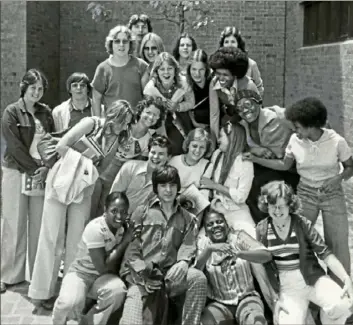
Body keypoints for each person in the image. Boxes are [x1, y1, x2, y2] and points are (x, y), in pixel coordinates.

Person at [28, 100, 133, 308]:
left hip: (85, 187)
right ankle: (42, 292)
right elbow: (61, 145)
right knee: (52, 235)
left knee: (76, 239)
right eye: (123, 121)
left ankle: (68, 293)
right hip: (63, 179)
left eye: (128, 123)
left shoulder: (121, 140)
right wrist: (86, 159)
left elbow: (102, 171)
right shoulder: (91, 123)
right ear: (114, 116)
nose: (124, 126)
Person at [247, 97, 353, 284]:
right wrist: (255, 159)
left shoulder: (337, 141)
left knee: (337, 244)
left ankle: (341, 290)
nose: (295, 130)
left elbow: (350, 167)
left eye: (297, 126)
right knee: (294, 237)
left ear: (311, 125)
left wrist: (338, 179)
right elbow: (283, 164)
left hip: (332, 194)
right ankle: (306, 281)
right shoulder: (294, 141)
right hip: (305, 193)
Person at [119, 165, 207, 325]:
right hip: (142, 278)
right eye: (163, 185)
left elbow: (189, 245)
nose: (168, 190)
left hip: (169, 277)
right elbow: (132, 250)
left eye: (172, 185)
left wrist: (183, 262)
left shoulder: (187, 217)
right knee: (131, 320)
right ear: (156, 188)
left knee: (198, 278)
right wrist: (142, 274)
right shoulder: (141, 213)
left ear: (178, 188)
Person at [255, 180, 353, 325]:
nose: (277, 211)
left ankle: (324, 317)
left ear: (290, 205)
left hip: (312, 278)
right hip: (287, 287)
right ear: (266, 205)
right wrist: (276, 298)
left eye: (281, 206)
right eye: (273, 206)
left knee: (343, 305)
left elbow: (325, 253)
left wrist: (346, 278)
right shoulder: (261, 229)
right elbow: (267, 267)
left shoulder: (301, 223)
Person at [1, 69, 54, 294]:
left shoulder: (45, 112)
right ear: (24, 87)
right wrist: (35, 169)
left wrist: (47, 167)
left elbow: (52, 140)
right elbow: (14, 146)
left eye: (41, 89)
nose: (37, 92)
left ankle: (35, 273)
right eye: (33, 88)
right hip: (17, 171)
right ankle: (9, 275)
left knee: (38, 223)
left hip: (40, 173)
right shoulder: (12, 112)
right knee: (14, 222)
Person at [52, 192, 140, 325]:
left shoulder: (124, 228)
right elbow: (102, 267)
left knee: (117, 291)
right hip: (81, 274)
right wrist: (125, 241)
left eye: (123, 212)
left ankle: (87, 323)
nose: (119, 216)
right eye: (114, 211)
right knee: (69, 303)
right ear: (105, 209)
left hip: (102, 278)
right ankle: (58, 321)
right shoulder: (95, 228)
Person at [91, 96, 167, 218]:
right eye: (148, 112)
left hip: (118, 174)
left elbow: (137, 163)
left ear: (159, 118)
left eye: (155, 115)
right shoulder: (126, 125)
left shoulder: (149, 139)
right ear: (141, 111)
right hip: (102, 167)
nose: (151, 117)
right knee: (90, 204)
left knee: (104, 206)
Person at [196, 209, 271, 325]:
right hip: (220, 303)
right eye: (210, 224)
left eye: (219, 222)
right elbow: (195, 272)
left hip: (247, 299)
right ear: (206, 232)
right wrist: (210, 249)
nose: (216, 226)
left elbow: (266, 255)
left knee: (256, 321)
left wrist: (240, 254)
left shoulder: (239, 237)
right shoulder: (203, 246)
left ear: (227, 225)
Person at [237, 89, 300, 223]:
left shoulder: (279, 117)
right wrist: (255, 149)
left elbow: (311, 123)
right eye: (239, 108)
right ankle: (262, 227)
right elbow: (242, 145)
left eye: (247, 104)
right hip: (268, 168)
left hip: (289, 169)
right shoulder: (243, 124)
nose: (245, 110)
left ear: (258, 103)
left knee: (274, 196)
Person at [200, 122, 255, 230]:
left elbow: (241, 196)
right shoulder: (217, 154)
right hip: (216, 209)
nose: (218, 140)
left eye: (221, 136)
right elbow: (206, 180)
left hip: (236, 210)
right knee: (202, 242)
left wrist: (215, 186)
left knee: (250, 238)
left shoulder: (245, 163)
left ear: (232, 138)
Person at [144, 52, 195, 155]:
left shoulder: (183, 83)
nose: (166, 72)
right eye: (162, 69)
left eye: (170, 68)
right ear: (156, 71)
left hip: (179, 119)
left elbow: (191, 102)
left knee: (180, 147)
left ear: (175, 69)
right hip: (159, 122)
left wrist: (178, 106)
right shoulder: (151, 88)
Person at [91, 25, 148, 117]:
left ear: (130, 44)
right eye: (117, 41)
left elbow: (148, 97)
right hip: (112, 123)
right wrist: (99, 123)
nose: (121, 45)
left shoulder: (141, 66)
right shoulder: (103, 68)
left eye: (125, 41)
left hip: (136, 122)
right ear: (111, 44)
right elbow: (96, 99)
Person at [110, 135, 172, 214]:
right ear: (148, 153)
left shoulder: (166, 184)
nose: (156, 157)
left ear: (168, 157)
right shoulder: (130, 167)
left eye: (161, 154)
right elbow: (114, 196)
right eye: (153, 152)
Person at [208, 47, 259, 137]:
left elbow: (254, 118)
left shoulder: (248, 85)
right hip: (230, 119)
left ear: (235, 74)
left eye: (225, 75)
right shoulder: (214, 82)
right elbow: (214, 115)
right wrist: (214, 143)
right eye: (218, 73)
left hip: (250, 120)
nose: (221, 78)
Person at [219, 26, 264, 96]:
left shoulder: (251, 65)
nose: (229, 45)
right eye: (226, 42)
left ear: (238, 44)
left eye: (233, 42)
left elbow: (259, 89)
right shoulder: (218, 65)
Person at [169, 128, 213, 197]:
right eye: (194, 146)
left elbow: (204, 194)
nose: (197, 150)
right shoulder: (173, 161)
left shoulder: (207, 166)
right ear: (188, 145)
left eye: (202, 147)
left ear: (206, 150)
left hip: (194, 204)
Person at [186, 49, 212, 129]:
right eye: (194, 69)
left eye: (201, 70)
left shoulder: (212, 81)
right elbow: (188, 109)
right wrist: (195, 123)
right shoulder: (186, 84)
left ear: (206, 69)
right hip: (196, 124)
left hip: (214, 120)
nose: (197, 74)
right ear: (189, 69)